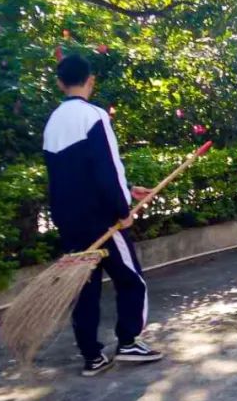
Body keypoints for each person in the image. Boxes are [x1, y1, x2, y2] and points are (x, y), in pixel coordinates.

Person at [43, 51, 163, 375]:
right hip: (103, 220)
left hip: (70, 222)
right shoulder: (94, 116)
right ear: (91, 80)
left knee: (83, 287)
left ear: (60, 83)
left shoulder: (53, 122)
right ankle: (129, 342)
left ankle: (92, 357)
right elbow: (106, 169)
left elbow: (72, 175)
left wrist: (128, 189)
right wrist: (122, 210)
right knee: (131, 279)